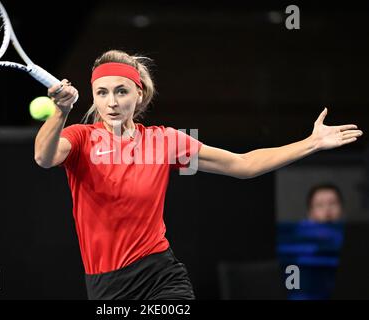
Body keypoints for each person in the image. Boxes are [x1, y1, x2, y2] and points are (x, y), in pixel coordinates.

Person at [33, 49, 363, 300]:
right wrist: (61, 111)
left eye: (121, 91)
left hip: (160, 274)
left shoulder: (164, 142)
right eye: (102, 92)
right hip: (105, 285)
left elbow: (242, 165)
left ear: (139, 94)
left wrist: (312, 142)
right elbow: (44, 157)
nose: (112, 102)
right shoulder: (80, 138)